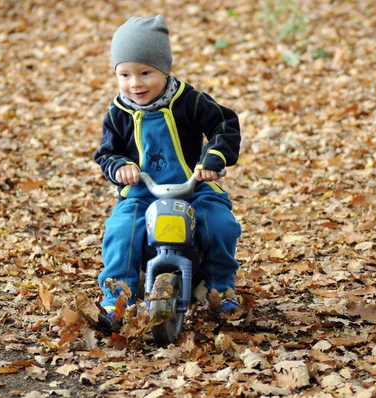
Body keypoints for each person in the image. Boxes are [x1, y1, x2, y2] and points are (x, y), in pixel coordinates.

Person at [94, 15, 242, 333]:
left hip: (194, 185)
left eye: (146, 72)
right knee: (121, 232)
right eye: (125, 74)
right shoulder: (118, 112)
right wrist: (120, 167)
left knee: (220, 225)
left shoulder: (189, 101)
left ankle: (221, 288)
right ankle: (117, 297)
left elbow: (225, 124)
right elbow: (106, 152)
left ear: (165, 69)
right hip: (143, 190)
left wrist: (213, 159)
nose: (135, 83)